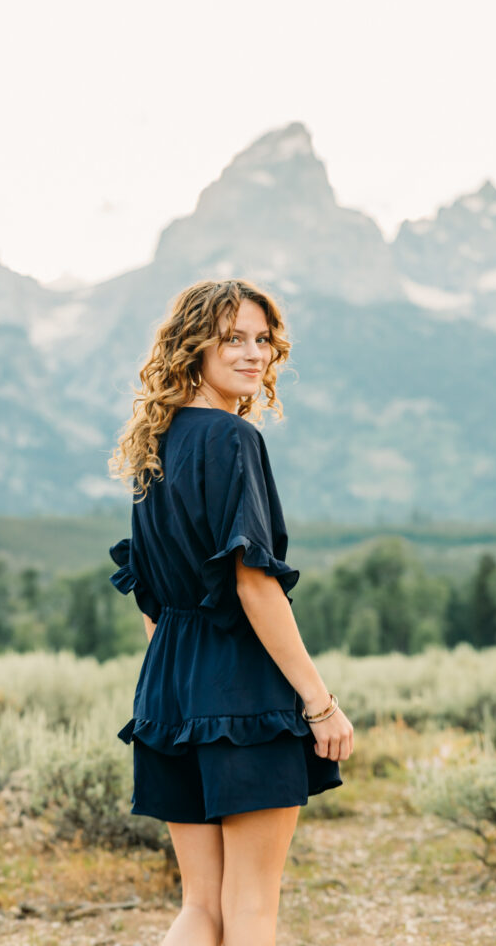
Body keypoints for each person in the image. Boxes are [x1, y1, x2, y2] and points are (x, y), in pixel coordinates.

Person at [107, 278, 354, 946]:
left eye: (263, 340)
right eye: (232, 339)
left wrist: (178, 686)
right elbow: (254, 587)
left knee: (201, 907)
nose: (253, 355)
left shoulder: (154, 441)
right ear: (194, 346)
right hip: (240, 684)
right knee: (250, 909)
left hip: (168, 688)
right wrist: (318, 703)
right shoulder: (230, 438)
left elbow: (151, 600)